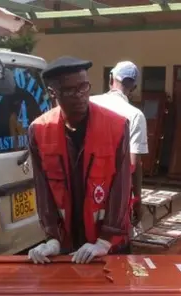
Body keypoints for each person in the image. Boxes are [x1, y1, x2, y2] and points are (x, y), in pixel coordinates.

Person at [27, 56, 132, 265]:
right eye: (70, 90)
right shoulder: (39, 130)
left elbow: (121, 187)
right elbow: (43, 191)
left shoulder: (117, 126)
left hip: (108, 246)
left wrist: (104, 241)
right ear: (52, 93)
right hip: (67, 245)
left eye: (84, 87)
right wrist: (52, 238)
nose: (81, 96)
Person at [90, 61, 148, 227]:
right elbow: (134, 163)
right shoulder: (135, 115)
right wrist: (137, 199)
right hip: (117, 191)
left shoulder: (90, 103)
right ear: (134, 87)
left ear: (110, 79)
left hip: (87, 185)